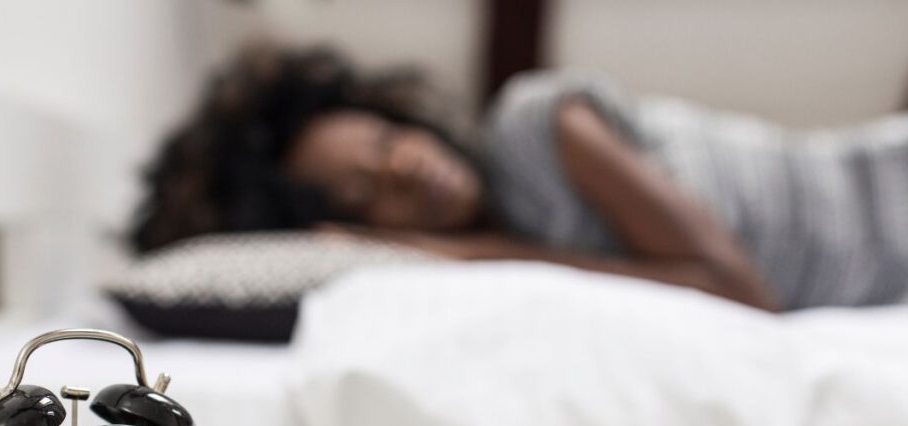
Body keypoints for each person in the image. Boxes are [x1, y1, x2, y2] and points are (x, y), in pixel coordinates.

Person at [129, 44, 908, 312]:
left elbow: (740, 292)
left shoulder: (538, 125)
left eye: (387, 139)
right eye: (370, 192)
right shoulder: (495, 267)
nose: (407, 166)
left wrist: (476, 254)